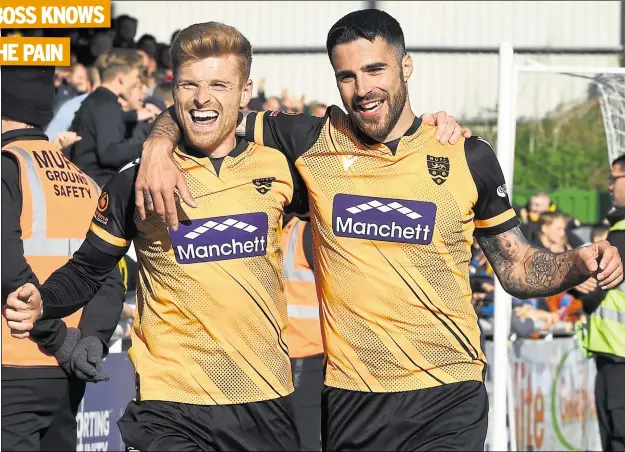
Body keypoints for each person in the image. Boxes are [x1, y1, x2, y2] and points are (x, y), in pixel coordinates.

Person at [133, 10, 623, 451]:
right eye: (346, 76)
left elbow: (517, 267)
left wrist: (575, 261)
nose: (362, 88)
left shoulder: (466, 154)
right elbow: (206, 109)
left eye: (375, 70)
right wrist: (157, 145)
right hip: (352, 399)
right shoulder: (311, 141)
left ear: (405, 67)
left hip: (447, 394)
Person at [3, 21, 468, 452]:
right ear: (173, 90)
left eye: (219, 85)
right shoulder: (137, 181)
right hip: (171, 407)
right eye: (189, 85)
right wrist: (44, 301)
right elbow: (89, 270)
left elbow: (377, 167)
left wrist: (429, 131)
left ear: (245, 92)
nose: (203, 99)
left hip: (265, 404)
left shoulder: (284, 167)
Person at [1, 66, 124, 450]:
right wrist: (91, 342)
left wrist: (60, 341)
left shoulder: (9, 168)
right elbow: (107, 274)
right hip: (65, 375)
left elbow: (9, 273)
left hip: (13, 364)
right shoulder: (84, 180)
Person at [576, 155, 625, 452]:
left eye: (615, 177)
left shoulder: (621, 234)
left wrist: (572, 280)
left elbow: (596, 290)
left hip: (619, 359)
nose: (609, 185)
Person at [68, 48, 158, 187]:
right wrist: (150, 145)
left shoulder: (97, 100)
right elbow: (110, 153)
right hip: (97, 185)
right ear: (122, 78)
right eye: (135, 77)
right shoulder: (106, 104)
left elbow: (106, 122)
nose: (136, 82)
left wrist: (134, 116)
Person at [281, 214, 324, 451]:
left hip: (307, 355)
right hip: (283, 356)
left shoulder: (304, 233)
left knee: (306, 437)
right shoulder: (282, 232)